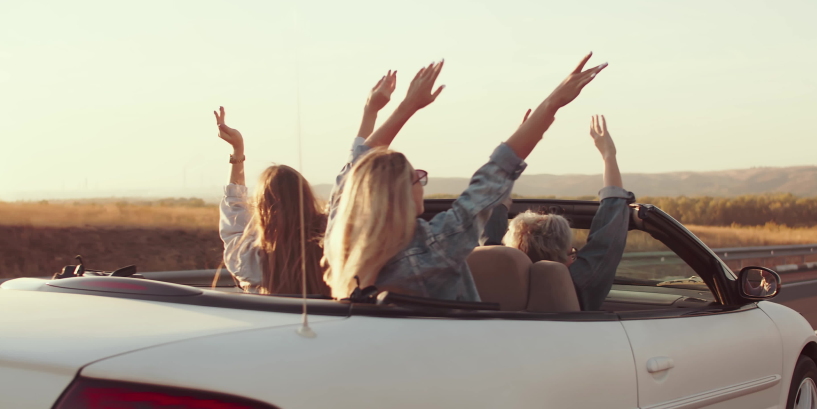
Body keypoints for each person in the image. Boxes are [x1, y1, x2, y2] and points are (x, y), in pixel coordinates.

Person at [323, 54, 608, 300]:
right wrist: (553, 103)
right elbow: (495, 175)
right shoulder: (432, 250)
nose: (422, 184)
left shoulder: (339, 244)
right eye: (416, 178)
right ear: (399, 196)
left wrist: (400, 107)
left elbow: (355, 172)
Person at [216, 73, 397, 295]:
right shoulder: (330, 242)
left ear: (261, 209)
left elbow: (234, 207)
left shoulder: (245, 259)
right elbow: (354, 174)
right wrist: (371, 111)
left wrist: (238, 151)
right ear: (306, 197)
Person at [500, 115, 635, 311]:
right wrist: (608, 154)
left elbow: (492, 206)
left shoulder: (493, 277)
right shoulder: (579, 284)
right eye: (572, 253)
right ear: (563, 257)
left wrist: (519, 145)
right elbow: (610, 230)